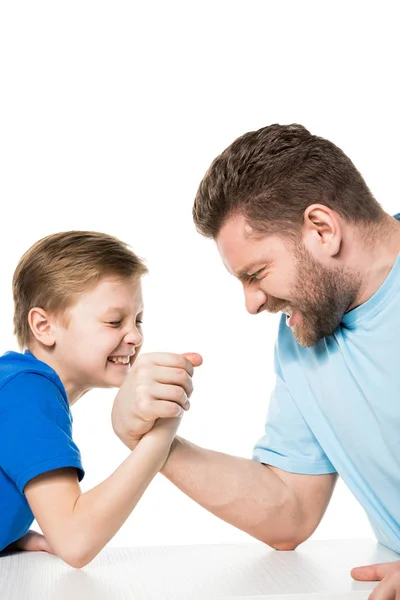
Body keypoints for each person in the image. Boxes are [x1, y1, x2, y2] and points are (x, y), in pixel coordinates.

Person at [111, 125, 400, 599]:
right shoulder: (303, 338)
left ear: (322, 230)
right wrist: (153, 442)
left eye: (257, 273)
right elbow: (290, 512)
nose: (251, 303)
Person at [0, 230, 201, 568]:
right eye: (114, 321)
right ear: (43, 326)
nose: (135, 336)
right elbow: (76, 542)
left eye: (138, 320)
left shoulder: (14, 382)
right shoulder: (26, 392)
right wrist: (161, 432)